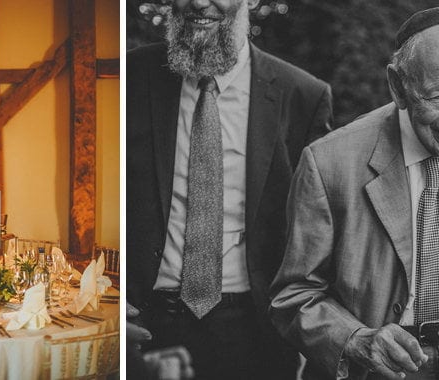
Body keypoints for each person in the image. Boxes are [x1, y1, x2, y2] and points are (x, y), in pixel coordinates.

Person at [270, 7, 439, 380]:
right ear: (399, 87)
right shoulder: (329, 162)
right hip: (380, 368)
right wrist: (357, 340)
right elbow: (294, 296)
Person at [126, 0, 333, 377]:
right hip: (143, 325)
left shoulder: (302, 95)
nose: (200, 3)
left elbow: (319, 230)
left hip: (255, 335)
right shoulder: (132, 77)